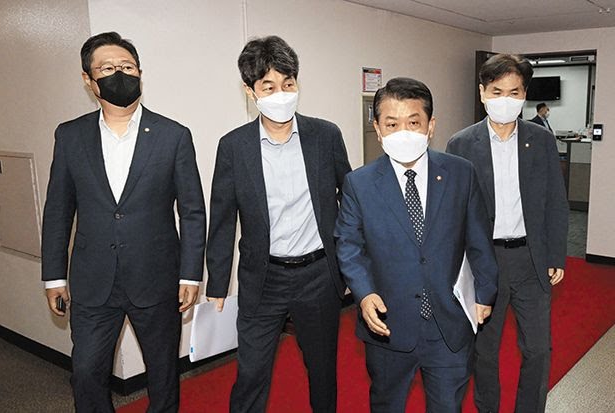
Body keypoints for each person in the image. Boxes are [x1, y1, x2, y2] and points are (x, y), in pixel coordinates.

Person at [41, 32, 206, 412]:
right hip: (93, 280)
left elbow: (193, 211)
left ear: (140, 73)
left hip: (157, 277)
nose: (120, 73)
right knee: (86, 372)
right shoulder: (70, 136)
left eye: (127, 66)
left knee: (163, 373)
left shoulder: (173, 136)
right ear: (88, 79)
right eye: (108, 68)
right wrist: (54, 277)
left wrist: (190, 274)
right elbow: (58, 210)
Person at [205, 35, 351, 413]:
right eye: (269, 86)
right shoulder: (234, 147)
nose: (281, 94)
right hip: (263, 277)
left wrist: (352, 266)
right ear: (250, 91)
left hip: (318, 275)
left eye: (288, 84)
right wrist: (217, 284)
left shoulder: (326, 136)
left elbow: (350, 202)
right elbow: (222, 218)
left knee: (322, 369)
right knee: (251, 372)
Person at [335, 77, 498, 413]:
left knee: (448, 406)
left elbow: (478, 238)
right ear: (377, 129)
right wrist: (364, 294)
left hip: (449, 322)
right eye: (391, 124)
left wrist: (485, 292)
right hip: (388, 325)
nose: (403, 132)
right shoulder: (359, 184)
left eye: (413, 122)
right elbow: (349, 245)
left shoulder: (460, 173)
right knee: (387, 404)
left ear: (430, 126)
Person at [447, 54, 568, 413]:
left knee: (538, 349)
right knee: (484, 350)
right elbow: (454, 213)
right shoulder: (461, 144)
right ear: (482, 93)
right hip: (485, 261)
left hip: (531, 259)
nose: (505, 99)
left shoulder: (541, 140)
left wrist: (556, 254)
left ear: (524, 94)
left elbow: (555, 201)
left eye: (514, 92)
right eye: (496, 91)